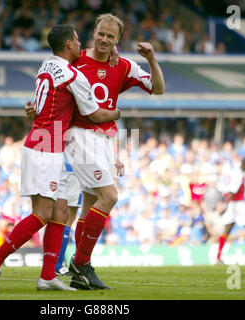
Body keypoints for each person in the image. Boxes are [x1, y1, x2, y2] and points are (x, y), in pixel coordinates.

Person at [0, 24, 121, 292]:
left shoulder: (46, 66)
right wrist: (118, 113)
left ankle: (47, 277)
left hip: (49, 145)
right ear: (68, 44)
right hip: (44, 149)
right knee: (42, 214)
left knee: (61, 211)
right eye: (77, 41)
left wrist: (111, 50)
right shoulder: (72, 75)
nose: (81, 45)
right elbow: (97, 115)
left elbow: (42, 103)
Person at [65, 13, 165, 290]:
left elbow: (158, 89)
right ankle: (81, 262)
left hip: (103, 140)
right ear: (93, 32)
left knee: (88, 204)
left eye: (111, 36)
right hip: (80, 135)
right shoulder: (77, 59)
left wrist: (152, 60)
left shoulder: (124, 65)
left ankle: (77, 275)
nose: (104, 39)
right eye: (101, 33)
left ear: (118, 39)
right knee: (109, 196)